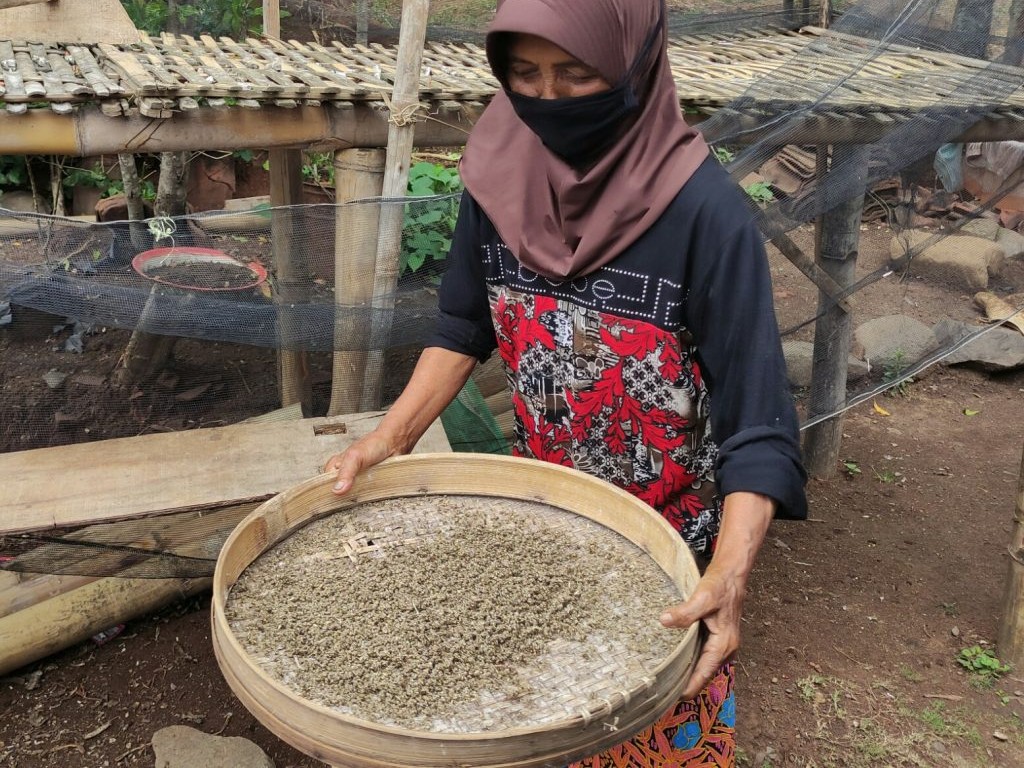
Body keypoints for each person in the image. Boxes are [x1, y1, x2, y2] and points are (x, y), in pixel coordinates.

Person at [324, 0, 807, 764]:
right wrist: (389, 438)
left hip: (662, 550)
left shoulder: (706, 216)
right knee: (528, 719)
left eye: (576, 74)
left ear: (633, 64)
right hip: (540, 525)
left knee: (643, 735)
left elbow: (760, 427)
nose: (545, 99)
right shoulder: (496, 182)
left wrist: (730, 574)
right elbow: (462, 327)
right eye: (524, 75)